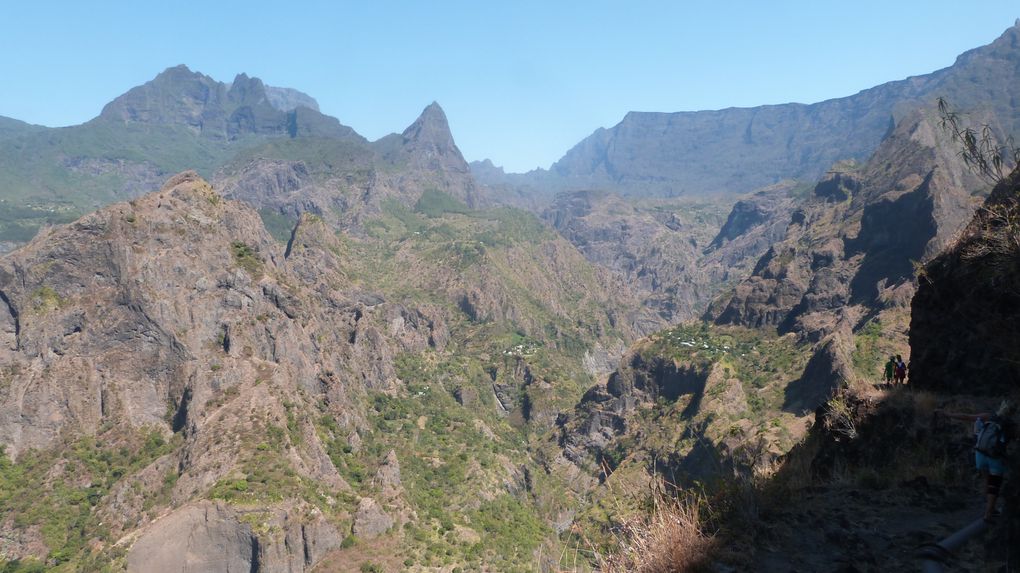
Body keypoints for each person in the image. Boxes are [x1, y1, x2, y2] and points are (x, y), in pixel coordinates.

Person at [939, 401, 1015, 521]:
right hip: (994, 458)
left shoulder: (988, 416)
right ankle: (988, 514)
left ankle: (989, 506)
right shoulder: (1010, 425)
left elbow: (966, 417)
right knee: (994, 485)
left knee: (986, 480)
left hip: (979, 456)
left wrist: (948, 414)